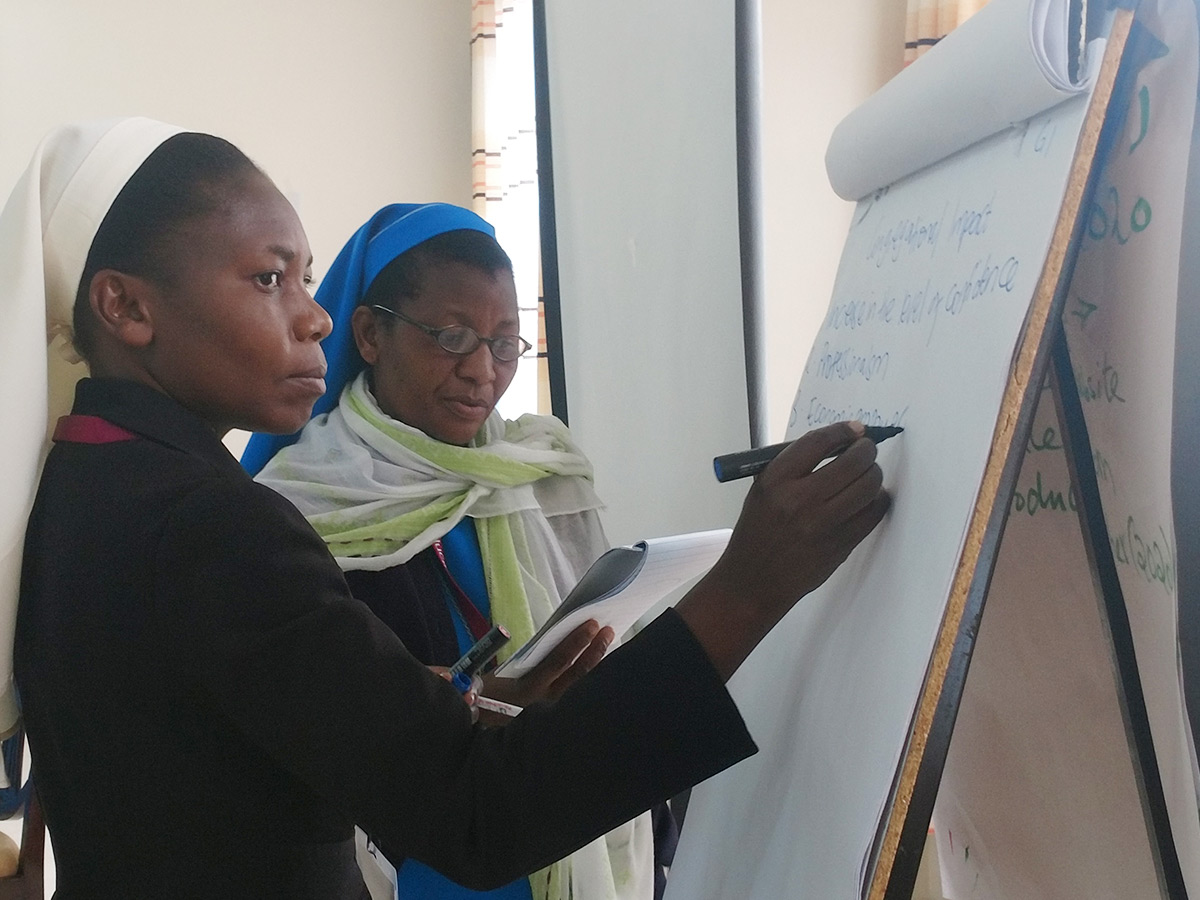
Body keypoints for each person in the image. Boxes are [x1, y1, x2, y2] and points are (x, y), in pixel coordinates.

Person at [5, 117, 889, 899]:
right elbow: (478, 815)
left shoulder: (87, 482)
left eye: (308, 278)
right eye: (270, 280)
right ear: (125, 305)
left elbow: (208, 736)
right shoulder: (213, 526)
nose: (313, 317)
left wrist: (463, 703)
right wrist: (750, 586)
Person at [244, 205, 657, 900]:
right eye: (452, 336)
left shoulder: (541, 469)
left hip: (555, 816)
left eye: (504, 344)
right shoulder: (300, 503)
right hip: (405, 856)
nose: (481, 372)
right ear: (372, 333)